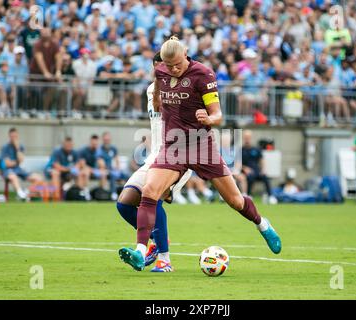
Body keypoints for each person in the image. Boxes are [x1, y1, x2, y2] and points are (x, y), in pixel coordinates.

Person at [118, 37, 281, 272]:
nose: (172, 70)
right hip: (172, 146)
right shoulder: (162, 71)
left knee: (234, 200)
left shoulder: (203, 74)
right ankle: (141, 251)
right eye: (168, 66)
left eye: (177, 65)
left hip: (200, 145)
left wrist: (209, 118)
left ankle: (263, 225)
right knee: (150, 191)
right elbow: (158, 91)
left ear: (186, 54)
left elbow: (218, 115)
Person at [116, 52, 192, 272]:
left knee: (153, 196)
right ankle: (154, 246)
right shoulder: (151, 89)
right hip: (155, 156)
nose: (161, 69)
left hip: (178, 156)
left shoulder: (185, 88)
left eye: (166, 65)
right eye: (157, 65)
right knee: (124, 202)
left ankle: (165, 260)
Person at [0, 127, 42, 200]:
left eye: (15, 136)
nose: (13, 138)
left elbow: (21, 160)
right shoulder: (5, 147)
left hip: (18, 169)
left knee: (38, 178)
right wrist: (16, 162)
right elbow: (7, 164)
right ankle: (20, 194)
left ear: (17, 136)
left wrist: (17, 148)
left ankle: (26, 192)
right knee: (13, 176)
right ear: (9, 136)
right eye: (12, 136)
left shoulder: (20, 146)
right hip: (7, 170)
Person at [242, 130, 277, 204]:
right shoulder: (241, 150)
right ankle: (249, 195)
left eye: (248, 137)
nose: (247, 139)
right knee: (249, 177)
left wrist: (263, 169)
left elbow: (262, 160)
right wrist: (245, 168)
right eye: (246, 137)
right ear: (243, 138)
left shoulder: (256, 149)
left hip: (257, 171)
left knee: (265, 177)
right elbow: (237, 163)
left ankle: (270, 196)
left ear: (251, 138)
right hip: (247, 172)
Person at [97, 131, 129, 201]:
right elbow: (101, 163)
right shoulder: (100, 149)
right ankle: (113, 194)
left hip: (113, 169)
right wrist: (107, 168)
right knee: (112, 175)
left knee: (127, 175)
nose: (107, 141)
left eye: (108, 140)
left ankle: (128, 194)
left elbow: (116, 159)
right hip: (105, 170)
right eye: (105, 140)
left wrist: (117, 168)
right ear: (103, 140)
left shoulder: (113, 148)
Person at [77, 134, 109, 198]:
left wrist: (101, 166)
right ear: (90, 142)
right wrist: (92, 170)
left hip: (95, 171)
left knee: (103, 173)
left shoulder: (99, 152)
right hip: (86, 170)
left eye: (96, 143)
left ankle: (101, 192)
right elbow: (83, 165)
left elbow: (102, 165)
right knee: (86, 172)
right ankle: (86, 192)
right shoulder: (84, 151)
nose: (95, 145)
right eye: (93, 143)